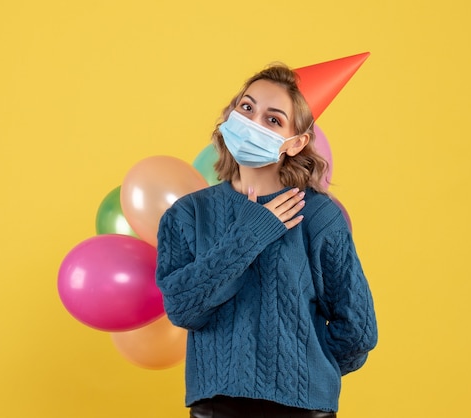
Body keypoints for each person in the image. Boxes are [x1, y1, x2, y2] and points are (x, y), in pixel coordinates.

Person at [155, 63, 378, 418]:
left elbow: (359, 329)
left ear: (296, 143)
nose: (254, 122)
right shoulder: (188, 214)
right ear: (230, 115)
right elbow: (183, 308)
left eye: (273, 120)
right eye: (247, 108)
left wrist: (306, 366)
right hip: (217, 406)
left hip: (303, 408)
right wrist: (254, 231)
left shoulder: (319, 216)